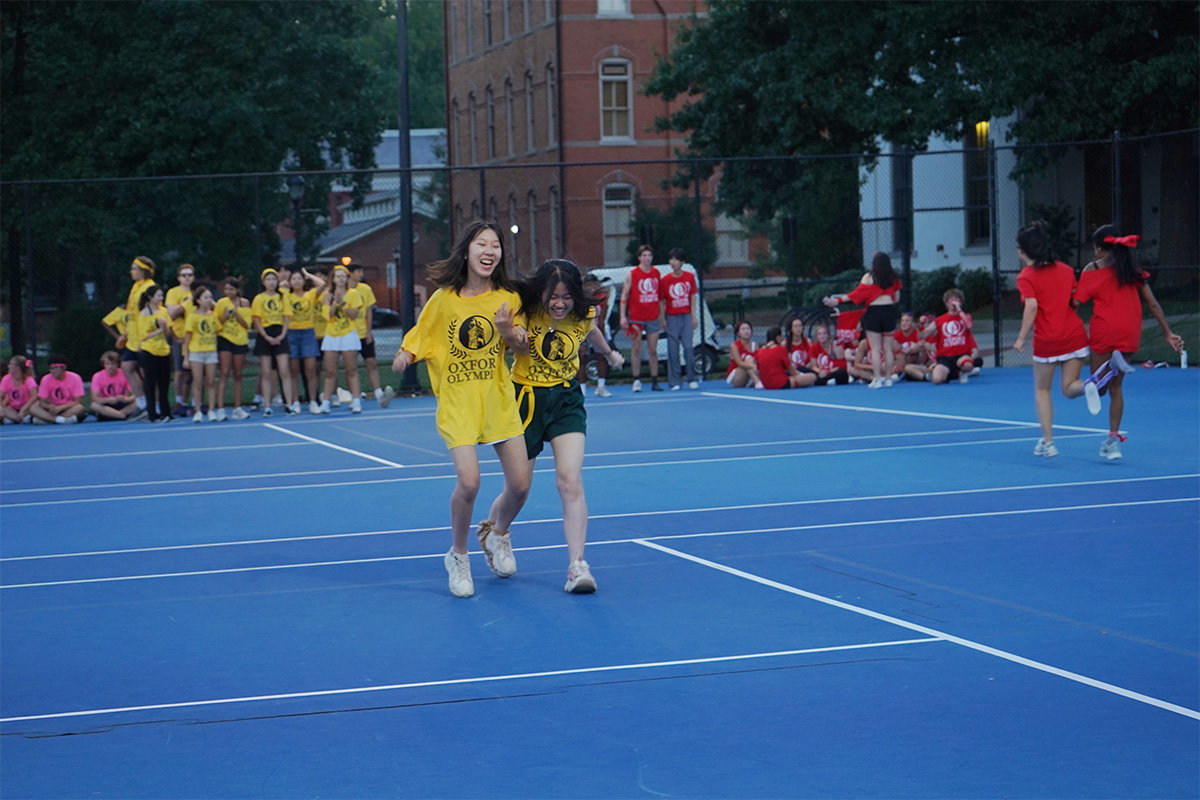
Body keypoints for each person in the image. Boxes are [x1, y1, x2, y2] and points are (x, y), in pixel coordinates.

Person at [391, 221, 532, 598]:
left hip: (498, 401)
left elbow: (522, 347)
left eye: (496, 245)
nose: (489, 250)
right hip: (458, 405)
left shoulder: (508, 298)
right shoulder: (444, 300)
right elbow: (420, 337)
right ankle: (458, 554)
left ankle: (496, 533)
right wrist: (406, 355)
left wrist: (506, 331)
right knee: (470, 482)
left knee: (520, 485)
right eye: (481, 244)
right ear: (466, 251)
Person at [498, 258, 626, 592]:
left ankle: (578, 566)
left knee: (570, 481)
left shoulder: (582, 314)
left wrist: (609, 354)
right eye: (553, 296)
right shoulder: (525, 313)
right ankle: (496, 531)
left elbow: (592, 332)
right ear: (541, 293)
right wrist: (513, 335)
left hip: (567, 399)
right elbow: (515, 345)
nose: (559, 303)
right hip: (526, 400)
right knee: (519, 487)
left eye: (566, 296)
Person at [1073, 225, 1185, 459]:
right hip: (1129, 332)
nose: (1094, 255)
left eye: (1095, 249)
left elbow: (1075, 304)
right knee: (1117, 388)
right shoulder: (1132, 270)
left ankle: (1103, 373)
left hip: (1104, 330)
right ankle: (1113, 442)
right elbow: (1153, 303)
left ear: (1101, 249)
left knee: (1099, 388)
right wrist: (1167, 333)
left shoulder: (1091, 270)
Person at [1012, 220, 1094, 457]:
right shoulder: (1066, 270)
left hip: (1048, 340)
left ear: (1022, 251)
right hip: (1074, 336)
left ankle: (1048, 443)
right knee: (1069, 388)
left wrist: (1020, 338)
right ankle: (1090, 385)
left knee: (1042, 390)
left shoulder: (1026, 276)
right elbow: (1073, 302)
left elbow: (1032, 306)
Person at [824, 252, 901, 388]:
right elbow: (896, 298)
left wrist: (838, 301)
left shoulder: (869, 277)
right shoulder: (893, 278)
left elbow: (857, 293)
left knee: (876, 348)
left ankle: (877, 379)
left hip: (874, 311)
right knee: (888, 347)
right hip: (889, 310)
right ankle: (888, 378)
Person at [251, 268, 298, 417]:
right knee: (266, 372)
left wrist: (282, 334)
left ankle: (288, 404)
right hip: (265, 334)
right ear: (264, 282)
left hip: (280, 333)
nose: (271, 282)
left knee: (284, 370)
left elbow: (286, 317)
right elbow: (256, 319)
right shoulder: (259, 298)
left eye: (274, 279)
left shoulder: (282, 297)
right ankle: (267, 405)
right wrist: (265, 336)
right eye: (268, 279)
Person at [317, 265, 363, 414]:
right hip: (332, 336)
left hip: (348, 334)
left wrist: (343, 303)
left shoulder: (353, 293)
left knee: (351, 370)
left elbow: (354, 314)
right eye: (338, 276)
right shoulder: (327, 295)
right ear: (333, 279)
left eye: (343, 276)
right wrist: (335, 302)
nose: (341, 279)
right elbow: (328, 316)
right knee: (330, 372)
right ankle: (326, 403)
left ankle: (356, 401)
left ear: (347, 278)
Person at [619, 244, 664, 392]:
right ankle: (636, 380)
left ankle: (654, 380)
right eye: (644, 255)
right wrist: (622, 316)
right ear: (639, 257)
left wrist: (662, 318)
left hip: (652, 317)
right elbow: (624, 296)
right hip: (636, 317)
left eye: (649, 255)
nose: (647, 258)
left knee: (653, 349)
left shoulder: (656, 273)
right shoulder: (632, 274)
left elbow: (659, 298)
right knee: (637, 347)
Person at [349, 263, 395, 408]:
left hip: (363, 333)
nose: (360, 273)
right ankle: (353, 396)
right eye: (357, 271)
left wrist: (368, 332)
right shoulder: (344, 291)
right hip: (349, 335)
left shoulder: (365, 289)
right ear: (349, 273)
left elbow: (369, 311)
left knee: (371, 363)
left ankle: (378, 395)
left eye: (361, 270)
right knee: (351, 367)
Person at [285, 267, 326, 414]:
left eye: (299, 278)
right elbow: (277, 287)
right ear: (290, 282)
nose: (296, 281)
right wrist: (284, 282)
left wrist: (308, 275)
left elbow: (322, 285)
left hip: (308, 333)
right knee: (294, 371)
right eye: (293, 279)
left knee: (311, 370)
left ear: (303, 281)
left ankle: (313, 401)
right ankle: (296, 402)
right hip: (292, 333)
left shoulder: (310, 295)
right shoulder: (286, 296)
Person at [923, 289, 984, 385]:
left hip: (961, 354)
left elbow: (969, 325)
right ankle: (952, 373)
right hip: (945, 356)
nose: (954, 302)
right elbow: (925, 333)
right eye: (951, 300)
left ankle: (963, 372)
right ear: (946, 304)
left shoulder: (965, 316)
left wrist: (959, 309)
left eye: (956, 299)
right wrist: (921, 324)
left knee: (968, 365)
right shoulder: (940, 320)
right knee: (937, 380)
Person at [659, 248, 700, 390]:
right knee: (673, 349)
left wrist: (693, 315)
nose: (673, 262)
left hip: (686, 315)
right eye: (671, 259)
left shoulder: (689, 277)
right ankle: (675, 381)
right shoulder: (665, 280)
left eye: (676, 259)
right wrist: (662, 319)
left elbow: (693, 296)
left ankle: (691, 378)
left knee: (688, 347)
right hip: (672, 317)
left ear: (682, 262)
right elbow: (662, 301)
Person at [120, 256, 155, 416]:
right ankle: (142, 402)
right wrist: (125, 334)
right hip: (133, 337)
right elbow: (131, 313)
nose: (131, 271)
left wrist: (146, 337)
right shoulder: (135, 287)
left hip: (144, 337)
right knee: (127, 367)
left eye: (134, 268)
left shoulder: (149, 287)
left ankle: (153, 405)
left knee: (147, 373)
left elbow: (152, 314)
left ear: (143, 271)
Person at [215, 277, 253, 421]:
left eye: (231, 289)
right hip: (225, 339)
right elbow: (216, 325)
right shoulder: (221, 303)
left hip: (240, 340)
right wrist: (225, 317)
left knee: (238, 374)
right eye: (226, 289)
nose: (228, 292)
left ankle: (238, 408)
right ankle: (220, 408)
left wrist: (237, 314)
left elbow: (247, 324)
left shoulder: (244, 303)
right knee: (224, 373)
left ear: (237, 290)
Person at [134, 283, 172, 422]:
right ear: (150, 297)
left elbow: (168, 332)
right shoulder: (144, 313)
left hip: (163, 350)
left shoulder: (164, 311)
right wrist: (159, 330)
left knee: (164, 383)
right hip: (149, 350)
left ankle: (166, 412)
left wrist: (164, 327)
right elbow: (144, 336)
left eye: (162, 296)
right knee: (150, 383)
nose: (160, 298)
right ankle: (152, 414)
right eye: (158, 296)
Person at [183, 283, 221, 422]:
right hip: (196, 353)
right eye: (205, 297)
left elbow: (218, 330)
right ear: (198, 300)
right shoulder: (192, 317)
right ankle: (197, 410)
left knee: (211, 381)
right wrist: (186, 358)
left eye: (210, 297)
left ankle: (211, 410)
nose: (209, 300)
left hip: (211, 351)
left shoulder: (213, 316)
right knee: (197, 381)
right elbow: (187, 339)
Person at [165, 263, 196, 417]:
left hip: (196, 337)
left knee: (192, 373)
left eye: (190, 275)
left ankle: (189, 402)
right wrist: (187, 302)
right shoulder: (173, 292)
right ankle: (178, 401)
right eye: (184, 275)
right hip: (180, 337)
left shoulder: (197, 292)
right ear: (178, 278)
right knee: (179, 371)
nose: (187, 277)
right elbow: (171, 314)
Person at [577, 273, 613, 397]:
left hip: (596, 329)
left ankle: (601, 387)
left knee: (601, 356)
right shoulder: (579, 299)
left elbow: (602, 318)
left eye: (594, 284)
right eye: (589, 285)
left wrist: (601, 339)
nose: (592, 287)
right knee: (582, 356)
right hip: (583, 331)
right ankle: (582, 389)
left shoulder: (602, 298)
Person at [29, 355, 87, 425]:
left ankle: (48, 419)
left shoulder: (75, 378)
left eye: (55, 368)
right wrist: (49, 407)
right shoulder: (45, 379)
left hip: (68, 408)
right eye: (50, 368)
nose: (52, 371)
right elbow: (42, 402)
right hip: (52, 409)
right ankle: (60, 420)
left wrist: (61, 408)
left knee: (79, 408)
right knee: (33, 407)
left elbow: (78, 401)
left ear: (63, 368)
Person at [89, 351, 141, 421]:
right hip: (107, 405)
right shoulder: (97, 376)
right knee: (94, 405)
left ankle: (114, 415)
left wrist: (125, 399)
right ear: (103, 365)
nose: (110, 367)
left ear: (117, 364)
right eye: (107, 364)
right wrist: (108, 400)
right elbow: (94, 399)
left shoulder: (124, 374)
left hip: (122, 404)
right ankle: (121, 416)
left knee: (139, 402)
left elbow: (136, 395)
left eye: (113, 364)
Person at [0, 355, 39, 424]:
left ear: (17, 368)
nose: (8, 366)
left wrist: (23, 409)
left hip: (27, 408)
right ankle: (19, 418)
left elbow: (34, 397)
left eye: (11, 364)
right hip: (13, 409)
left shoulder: (29, 379)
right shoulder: (6, 379)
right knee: (3, 409)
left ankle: (20, 418)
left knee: (35, 407)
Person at [726, 320, 760, 387]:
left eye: (748, 329)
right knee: (748, 359)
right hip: (738, 375)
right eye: (743, 329)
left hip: (751, 372)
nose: (746, 331)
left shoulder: (755, 345)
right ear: (738, 333)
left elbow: (758, 360)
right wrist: (753, 366)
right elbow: (739, 363)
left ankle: (755, 380)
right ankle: (756, 380)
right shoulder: (734, 346)